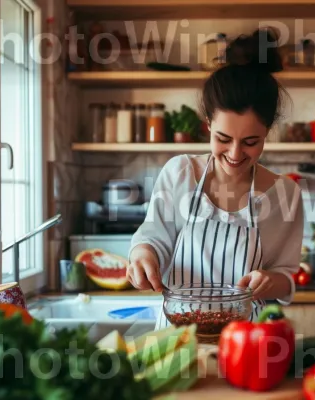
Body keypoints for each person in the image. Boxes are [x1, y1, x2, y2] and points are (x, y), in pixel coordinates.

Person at [126, 29, 304, 330]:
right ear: (207, 124)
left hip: (245, 340)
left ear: (268, 131)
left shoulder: (284, 193)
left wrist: (269, 281)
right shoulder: (180, 173)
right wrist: (143, 255)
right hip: (176, 337)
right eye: (223, 138)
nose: (235, 153)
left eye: (251, 142)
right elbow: (153, 238)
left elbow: (286, 280)